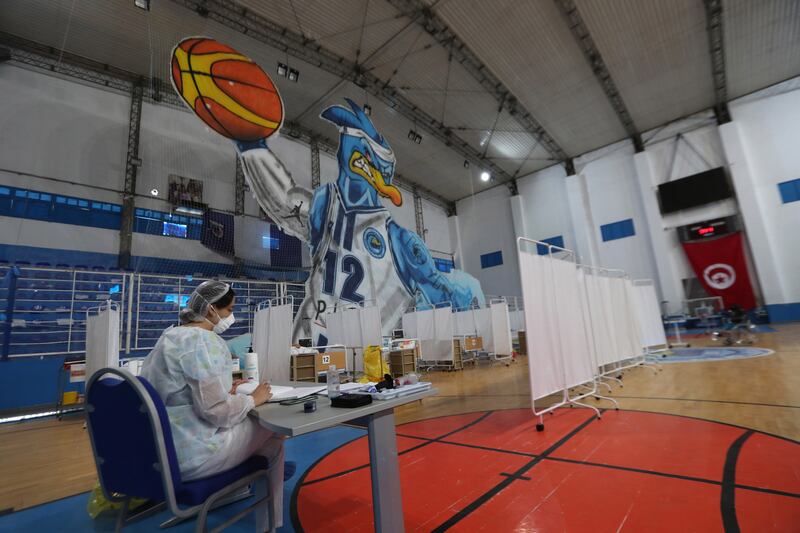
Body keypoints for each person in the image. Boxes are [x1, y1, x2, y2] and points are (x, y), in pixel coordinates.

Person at [140, 280, 285, 530]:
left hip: (161, 453)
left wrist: (224, 391)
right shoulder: (205, 342)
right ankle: (270, 523)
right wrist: (253, 399)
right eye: (229, 310)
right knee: (275, 434)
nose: (231, 317)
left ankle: (236, 490)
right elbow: (216, 413)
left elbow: (178, 393)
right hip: (195, 456)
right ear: (210, 310)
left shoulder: (169, 337)